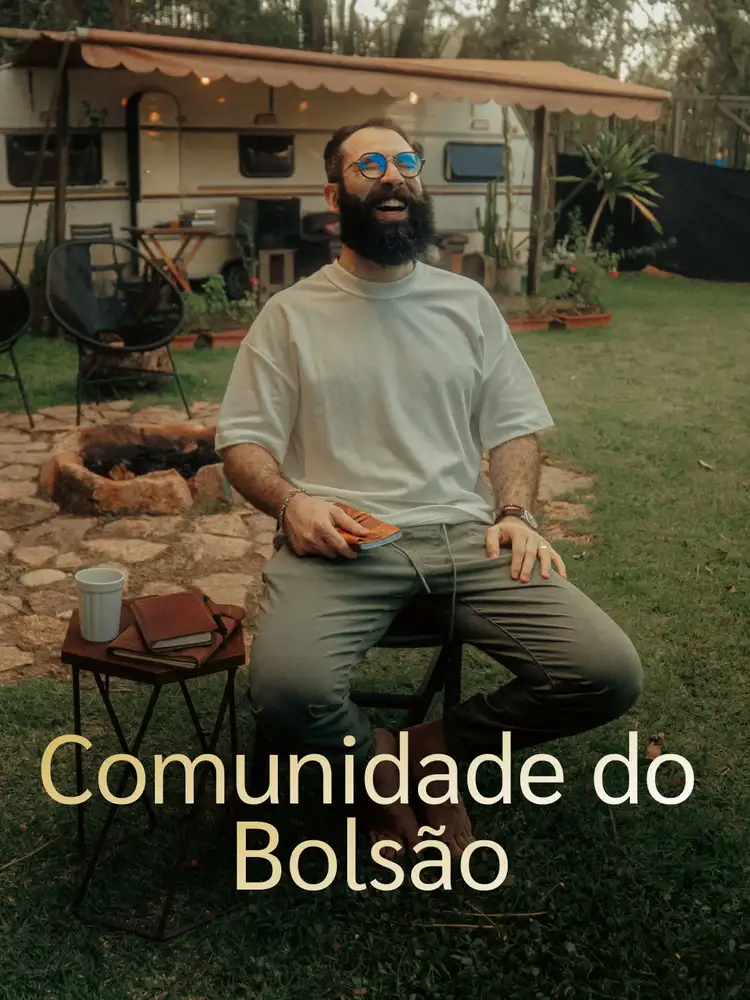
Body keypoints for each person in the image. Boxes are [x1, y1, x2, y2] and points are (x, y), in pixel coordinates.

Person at [216, 117, 643, 857]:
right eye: (370, 164)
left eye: (406, 162)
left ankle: (426, 755)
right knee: (286, 691)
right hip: (340, 544)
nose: (394, 175)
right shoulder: (289, 316)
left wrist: (515, 512)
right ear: (334, 192)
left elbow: (513, 428)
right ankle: (380, 777)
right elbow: (241, 443)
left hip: (464, 540)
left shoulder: (467, 305)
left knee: (606, 673)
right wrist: (293, 503)